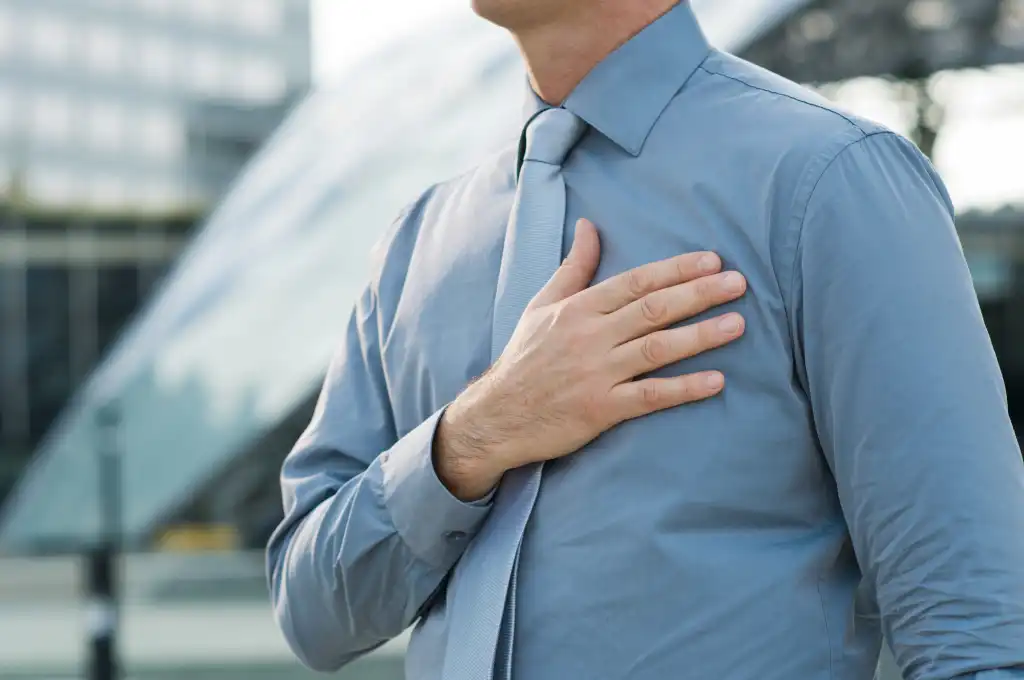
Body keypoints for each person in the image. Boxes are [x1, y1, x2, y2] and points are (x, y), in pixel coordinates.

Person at [267, 1, 1024, 678]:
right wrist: (470, 438)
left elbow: (975, 632)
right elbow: (311, 614)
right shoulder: (417, 243)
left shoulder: (830, 181)